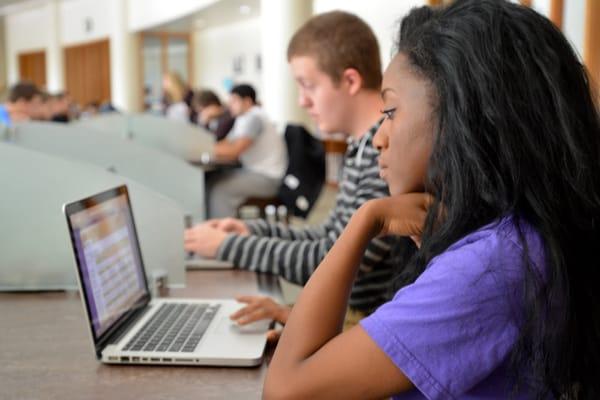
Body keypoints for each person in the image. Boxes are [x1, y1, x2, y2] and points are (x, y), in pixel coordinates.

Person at [262, 1, 600, 399]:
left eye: (390, 111)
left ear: (465, 114)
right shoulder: (514, 239)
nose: (378, 137)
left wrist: (366, 221)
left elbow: (286, 390)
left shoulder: (489, 266)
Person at [185, 12, 416, 330]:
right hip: (354, 315)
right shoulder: (360, 147)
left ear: (350, 80)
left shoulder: (383, 153)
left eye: (309, 86)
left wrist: (228, 247)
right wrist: (253, 231)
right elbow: (331, 235)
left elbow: (336, 260)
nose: (302, 101)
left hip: (368, 324)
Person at [201, 83, 287, 218]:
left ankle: (223, 235)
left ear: (247, 101)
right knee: (211, 180)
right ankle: (207, 226)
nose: (230, 105)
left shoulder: (254, 118)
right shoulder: (243, 118)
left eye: (234, 101)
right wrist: (204, 146)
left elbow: (235, 151)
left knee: (220, 189)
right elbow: (226, 144)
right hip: (254, 172)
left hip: (267, 178)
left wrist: (201, 148)